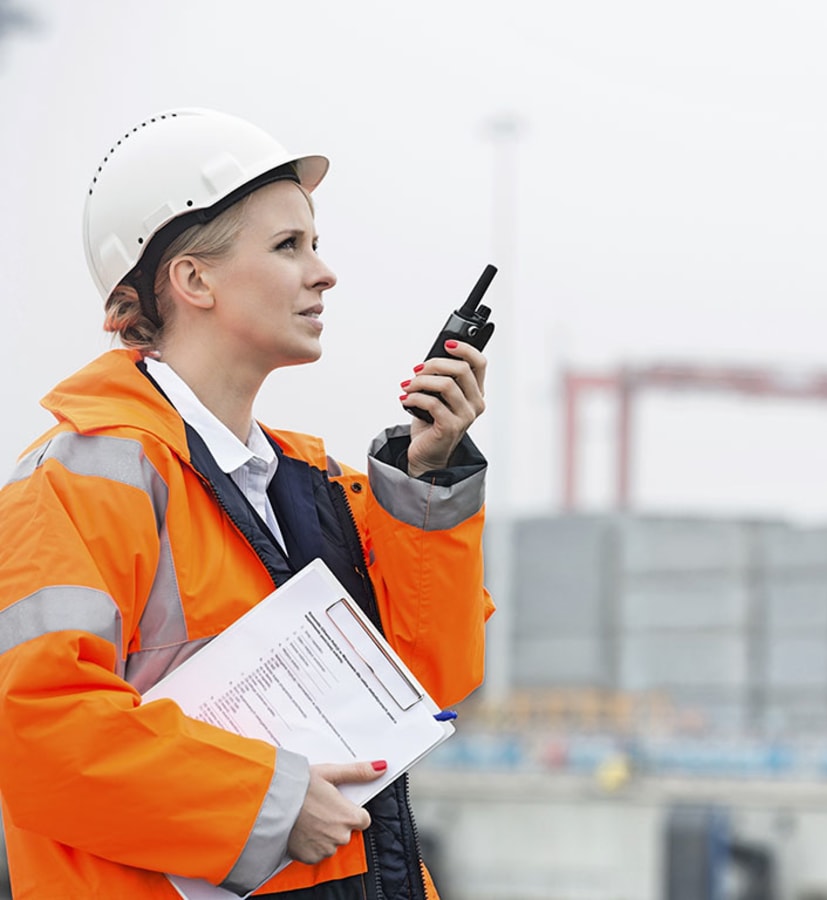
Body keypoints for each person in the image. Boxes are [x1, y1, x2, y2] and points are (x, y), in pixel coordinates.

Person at [0, 108, 493, 899]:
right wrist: (265, 802)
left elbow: (424, 686)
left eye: (315, 243)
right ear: (194, 280)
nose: (323, 273)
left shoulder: (313, 484)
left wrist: (425, 480)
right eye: (288, 246)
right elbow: (36, 736)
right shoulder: (79, 480)